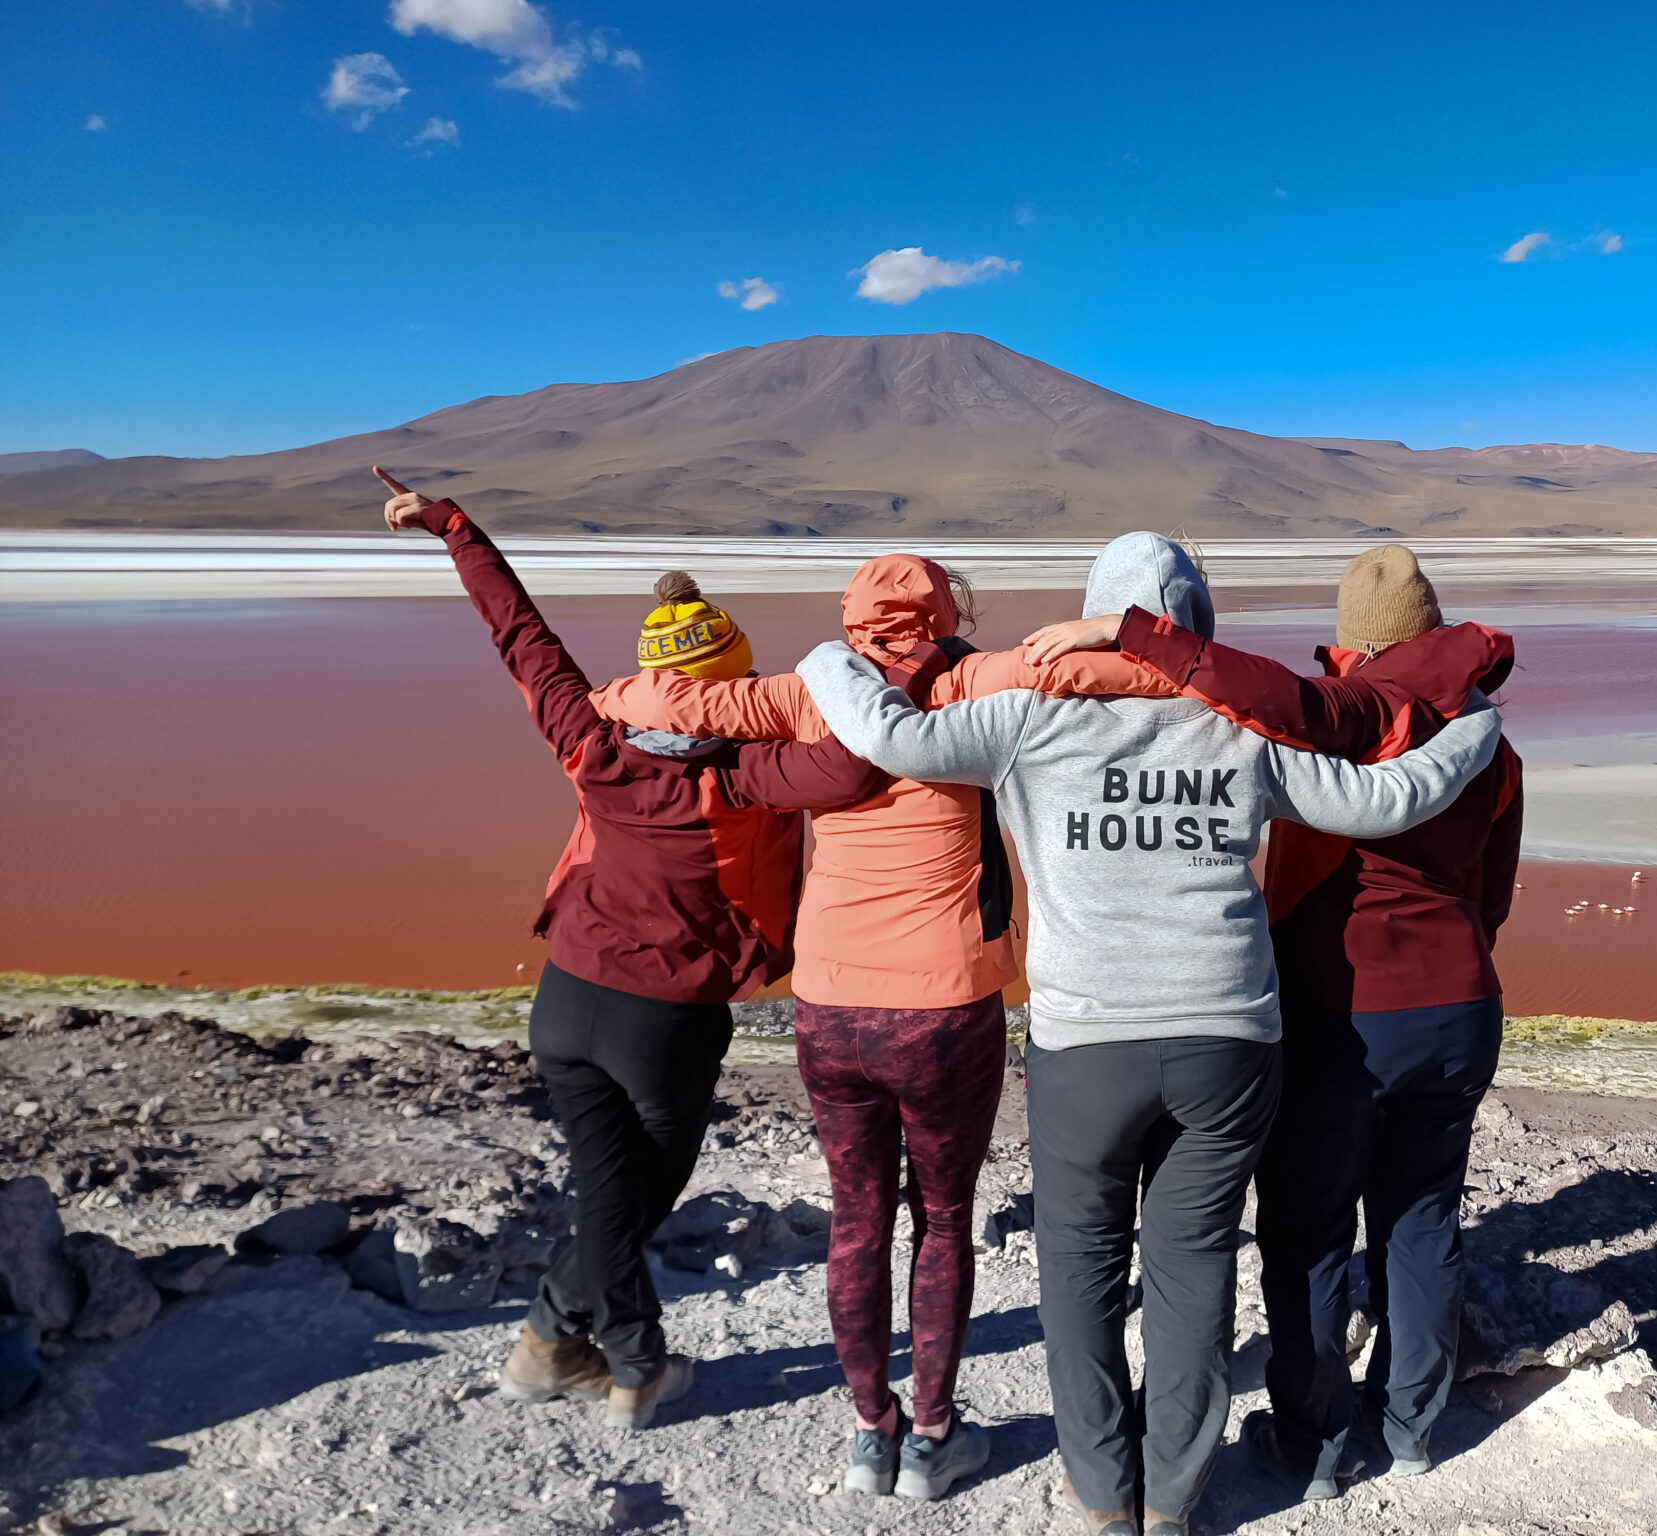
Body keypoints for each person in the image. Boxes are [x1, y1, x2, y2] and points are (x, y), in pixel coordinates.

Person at [796, 532, 1504, 1536]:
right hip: (1226, 1047)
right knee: (1191, 1268)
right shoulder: (1241, 732)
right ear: (1193, 627)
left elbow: (884, 735)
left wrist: (828, 655)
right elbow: (1384, 800)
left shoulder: (1025, 720)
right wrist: (1469, 730)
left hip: (1085, 1045)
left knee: (1079, 1272)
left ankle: (1101, 1493)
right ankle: (1173, 1495)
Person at [586, 553, 1177, 1499]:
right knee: (942, 1219)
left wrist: (641, 708)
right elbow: (1137, 679)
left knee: (856, 1218)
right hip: (943, 1004)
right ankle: (935, 1436)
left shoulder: (803, 694)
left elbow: (658, 703)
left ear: (853, 619)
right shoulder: (972, 678)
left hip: (829, 1003)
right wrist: (1115, 634)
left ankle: (873, 1433)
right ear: (942, 612)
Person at [372, 469, 893, 1431]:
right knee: (629, 1199)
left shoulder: (593, 740)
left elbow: (521, 637)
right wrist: (833, 670)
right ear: (730, 684)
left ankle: (548, 1347)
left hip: (565, 1000)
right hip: (666, 1020)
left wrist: (456, 529)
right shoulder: (749, 774)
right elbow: (859, 758)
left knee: (613, 1198)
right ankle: (632, 1365)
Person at [1021, 541, 1521, 1498]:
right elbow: (1490, 894)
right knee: (1422, 1219)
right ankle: (1413, 1426)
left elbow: (1302, 860)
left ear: (1351, 642)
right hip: (1457, 1005)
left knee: (1311, 1228)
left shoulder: (1313, 726)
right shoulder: (1491, 748)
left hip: (1341, 1013)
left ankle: (1315, 1444)